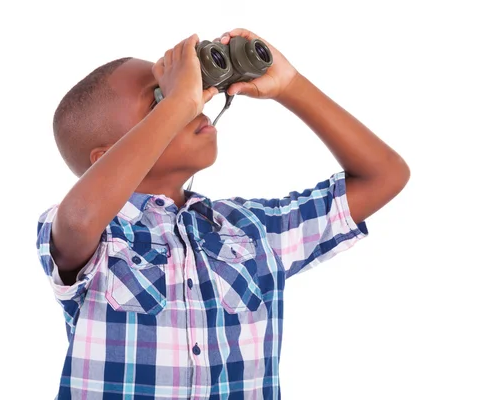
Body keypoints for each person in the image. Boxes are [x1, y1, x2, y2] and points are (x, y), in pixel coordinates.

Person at [36, 28, 410, 399]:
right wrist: (178, 103)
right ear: (104, 157)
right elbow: (79, 218)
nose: (195, 102)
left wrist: (290, 85)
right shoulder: (100, 237)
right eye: (158, 100)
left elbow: (385, 175)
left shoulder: (250, 231)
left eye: (189, 89)